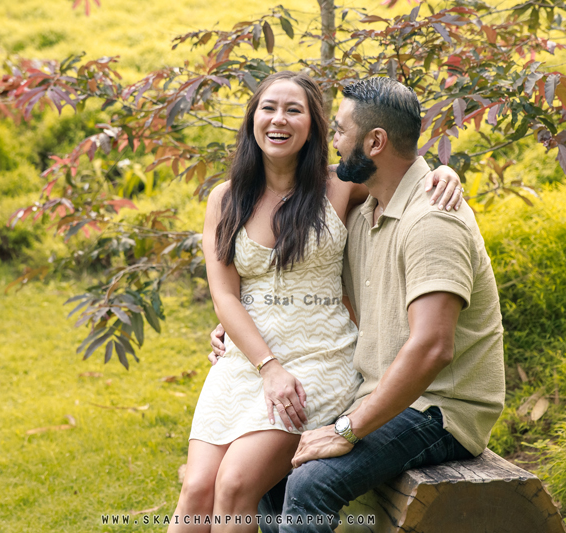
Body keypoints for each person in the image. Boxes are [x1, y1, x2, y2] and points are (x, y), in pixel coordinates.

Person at [171, 71, 463, 533]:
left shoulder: (338, 186)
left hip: (319, 358)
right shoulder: (224, 199)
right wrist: (266, 365)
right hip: (249, 357)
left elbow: (403, 174)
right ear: (252, 118)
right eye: (268, 108)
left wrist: (445, 171)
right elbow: (225, 294)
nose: (278, 120)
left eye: (294, 110)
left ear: (314, 126)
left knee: (234, 486)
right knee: (196, 490)